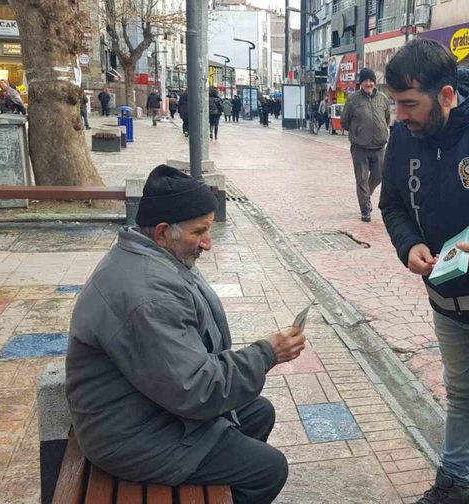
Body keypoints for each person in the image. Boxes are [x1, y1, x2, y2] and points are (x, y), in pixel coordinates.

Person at [66, 165, 306, 504]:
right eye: (200, 231)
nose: (208, 243)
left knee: (258, 411)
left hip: (146, 408)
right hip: (129, 434)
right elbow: (196, 389)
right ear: (163, 232)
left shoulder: (149, 257)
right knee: (268, 469)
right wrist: (267, 353)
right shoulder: (148, 294)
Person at [380, 39, 469, 504]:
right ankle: (453, 482)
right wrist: (409, 244)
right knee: (460, 395)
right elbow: (393, 202)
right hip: (443, 301)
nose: (400, 116)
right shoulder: (404, 137)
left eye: (408, 104)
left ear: (445, 95)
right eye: (396, 104)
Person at [342, 68, 391, 222]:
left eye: (371, 81)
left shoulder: (383, 99)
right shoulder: (353, 100)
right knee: (362, 178)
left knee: (378, 176)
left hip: (378, 146)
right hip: (360, 147)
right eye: (365, 81)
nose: (368, 83)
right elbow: (345, 121)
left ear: (374, 82)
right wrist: (357, 132)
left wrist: (381, 131)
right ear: (361, 83)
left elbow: (387, 118)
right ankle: (365, 209)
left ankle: (365, 197)